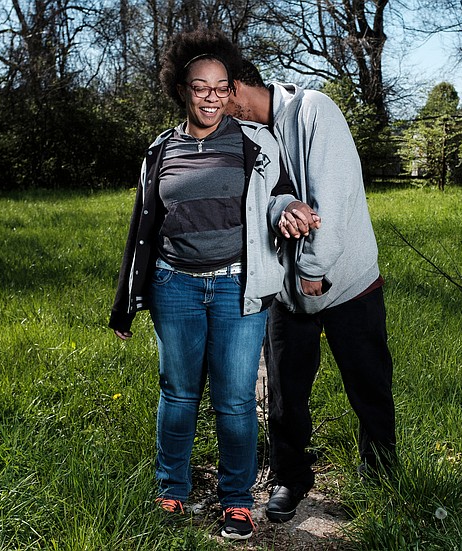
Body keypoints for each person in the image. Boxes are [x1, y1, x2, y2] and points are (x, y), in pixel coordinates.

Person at [108, 29, 315, 540]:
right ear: (183, 89)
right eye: (200, 87)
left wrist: (288, 209)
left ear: (230, 92)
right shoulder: (159, 151)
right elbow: (142, 228)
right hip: (173, 286)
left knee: (236, 400)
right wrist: (125, 305)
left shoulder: (254, 143)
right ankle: (171, 491)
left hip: (235, 289)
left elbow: (278, 196)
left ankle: (237, 501)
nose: (211, 97)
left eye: (221, 88)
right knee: (178, 394)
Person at [225, 62, 397, 522]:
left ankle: (381, 476)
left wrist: (313, 266)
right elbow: (263, 196)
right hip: (286, 291)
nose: (214, 103)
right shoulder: (246, 134)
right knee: (285, 391)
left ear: (238, 87)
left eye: (222, 92)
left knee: (368, 382)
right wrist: (280, 209)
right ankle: (290, 478)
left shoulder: (314, 110)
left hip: (346, 281)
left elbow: (334, 195)